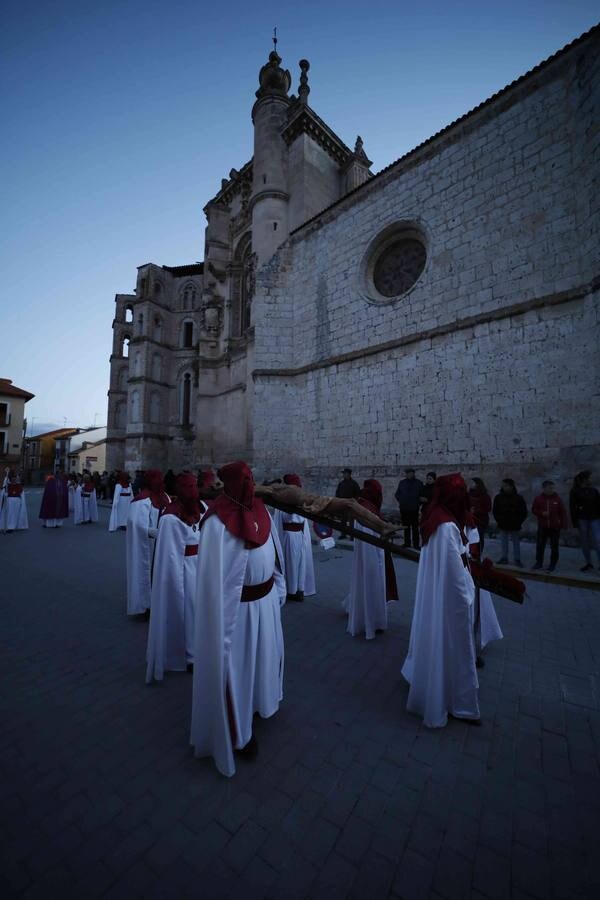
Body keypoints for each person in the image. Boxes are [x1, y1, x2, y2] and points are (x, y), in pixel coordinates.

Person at [190, 461, 286, 776]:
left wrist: (278, 588)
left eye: (250, 478)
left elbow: (274, 553)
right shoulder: (217, 524)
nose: (248, 483)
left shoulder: (262, 512)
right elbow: (212, 583)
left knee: (264, 661)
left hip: (266, 602)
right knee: (238, 668)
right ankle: (238, 733)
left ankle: (261, 702)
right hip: (237, 614)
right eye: (243, 479)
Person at [402, 473, 480, 727]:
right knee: (453, 647)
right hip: (449, 602)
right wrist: (470, 593)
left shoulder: (436, 518)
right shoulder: (446, 526)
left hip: (438, 596)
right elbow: (456, 578)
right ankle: (455, 702)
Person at [146, 472, 208, 683]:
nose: (193, 491)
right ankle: (188, 655)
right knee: (188, 609)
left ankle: (200, 648)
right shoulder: (171, 518)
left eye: (195, 486)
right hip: (184, 570)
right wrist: (175, 585)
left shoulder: (203, 509)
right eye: (188, 487)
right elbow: (169, 557)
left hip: (201, 566)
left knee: (200, 609)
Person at [345, 479, 398, 639]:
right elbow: (370, 542)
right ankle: (371, 623)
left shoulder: (365, 508)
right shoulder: (367, 513)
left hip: (372, 556)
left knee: (367, 587)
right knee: (371, 587)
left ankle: (372, 620)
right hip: (373, 559)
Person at [255, 481, 400, 538]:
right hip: (317, 503)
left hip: (319, 500)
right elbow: (254, 489)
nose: (279, 482)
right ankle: (384, 526)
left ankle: (382, 529)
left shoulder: (284, 488)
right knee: (350, 503)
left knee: (351, 511)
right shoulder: (273, 490)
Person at [126, 470, 170, 617]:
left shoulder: (165, 498)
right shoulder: (141, 500)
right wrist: (154, 532)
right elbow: (136, 523)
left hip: (162, 545)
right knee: (145, 572)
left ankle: (158, 604)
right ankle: (145, 605)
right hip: (148, 544)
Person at [273, 473, 316, 603]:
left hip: (299, 535)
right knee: (291, 562)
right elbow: (278, 522)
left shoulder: (300, 500)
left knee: (300, 563)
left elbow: (304, 521)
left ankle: (300, 588)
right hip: (289, 536)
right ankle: (291, 590)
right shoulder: (283, 502)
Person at [465, 518, 503, 667]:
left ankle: (470, 651)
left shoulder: (467, 521)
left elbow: (473, 548)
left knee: (472, 612)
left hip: (468, 570)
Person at [532, 480, 568, 572]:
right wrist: (541, 513)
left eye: (553, 488)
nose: (552, 490)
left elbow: (563, 512)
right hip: (542, 526)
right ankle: (539, 562)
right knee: (540, 545)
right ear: (544, 488)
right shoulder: (538, 499)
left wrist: (563, 524)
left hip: (555, 527)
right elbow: (534, 510)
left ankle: (553, 564)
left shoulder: (557, 499)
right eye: (550, 488)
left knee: (554, 546)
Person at [569, 470, 600, 572]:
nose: (590, 480)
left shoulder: (594, 490)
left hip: (594, 518)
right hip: (582, 519)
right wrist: (575, 522)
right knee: (585, 542)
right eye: (589, 478)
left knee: (598, 541)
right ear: (584, 480)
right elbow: (572, 507)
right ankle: (589, 563)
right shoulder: (575, 491)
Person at [492, 479, 527, 566]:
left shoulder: (518, 498)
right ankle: (504, 558)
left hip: (515, 524)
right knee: (504, 542)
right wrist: (499, 520)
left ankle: (517, 559)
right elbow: (495, 511)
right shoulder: (498, 497)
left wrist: (518, 521)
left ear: (511, 486)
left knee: (516, 543)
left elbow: (523, 512)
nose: (504, 487)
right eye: (503, 486)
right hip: (503, 523)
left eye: (506, 485)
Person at [395, 468, 424, 549]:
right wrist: (401, 501)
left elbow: (421, 496)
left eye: (410, 473)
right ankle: (407, 543)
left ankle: (416, 544)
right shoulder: (402, 483)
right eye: (407, 473)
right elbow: (397, 494)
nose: (409, 475)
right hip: (404, 509)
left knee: (415, 528)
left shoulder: (418, 483)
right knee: (406, 527)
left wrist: (417, 503)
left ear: (413, 473)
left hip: (414, 509)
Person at [469, 477, 492, 553]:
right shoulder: (469, 494)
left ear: (477, 484)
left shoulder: (484, 495)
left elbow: (488, 508)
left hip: (480, 521)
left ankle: (478, 555)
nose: (470, 484)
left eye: (472, 483)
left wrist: (476, 510)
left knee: (479, 539)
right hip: (470, 521)